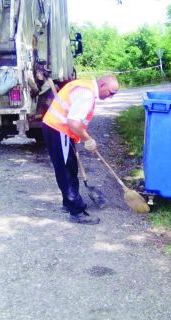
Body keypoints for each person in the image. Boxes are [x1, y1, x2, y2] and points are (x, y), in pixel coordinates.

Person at [41, 75, 119, 224]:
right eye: (111, 93)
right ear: (102, 84)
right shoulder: (86, 94)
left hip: (57, 129)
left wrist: (76, 137)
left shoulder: (85, 86)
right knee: (66, 171)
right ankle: (76, 211)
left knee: (69, 166)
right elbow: (73, 122)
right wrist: (88, 139)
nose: (111, 97)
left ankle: (67, 203)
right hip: (59, 129)